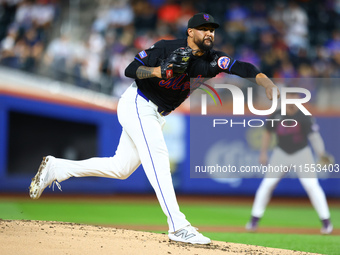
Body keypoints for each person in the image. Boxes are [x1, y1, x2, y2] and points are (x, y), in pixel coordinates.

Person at [29, 13, 279, 244]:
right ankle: (178, 226)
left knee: (120, 168)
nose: (209, 34)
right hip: (138, 103)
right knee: (159, 158)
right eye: (204, 29)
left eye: (212, 30)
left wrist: (264, 81)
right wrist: (157, 70)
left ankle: (57, 168)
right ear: (190, 32)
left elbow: (241, 67)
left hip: (156, 113)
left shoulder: (213, 60)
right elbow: (130, 70)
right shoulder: (165, 47)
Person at [246, 93, 333, 235]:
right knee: (267, 185)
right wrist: (263, 152)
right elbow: (267, 133)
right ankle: (253, 221)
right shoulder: (277, 114)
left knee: (312, 186)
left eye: (294, 98)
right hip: (281, 153)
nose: (291, 101)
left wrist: (321, 154)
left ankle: (326, 223)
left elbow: (314, 137)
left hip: (301, 153)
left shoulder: (305, 116)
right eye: (288, 98)